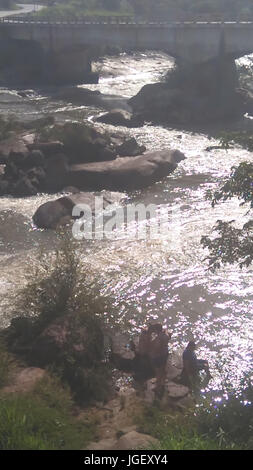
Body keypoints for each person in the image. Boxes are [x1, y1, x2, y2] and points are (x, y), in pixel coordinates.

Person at [148, 324, 171, 395]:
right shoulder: (165, 336)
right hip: (165, 355)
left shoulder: (159, 338)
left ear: (156, 330)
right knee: (163, 371)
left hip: (159, 357)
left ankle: (158, 388)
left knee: (158, 373)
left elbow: (157, 347)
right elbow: (169, 336)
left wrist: (152, 351)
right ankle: (162, 384)